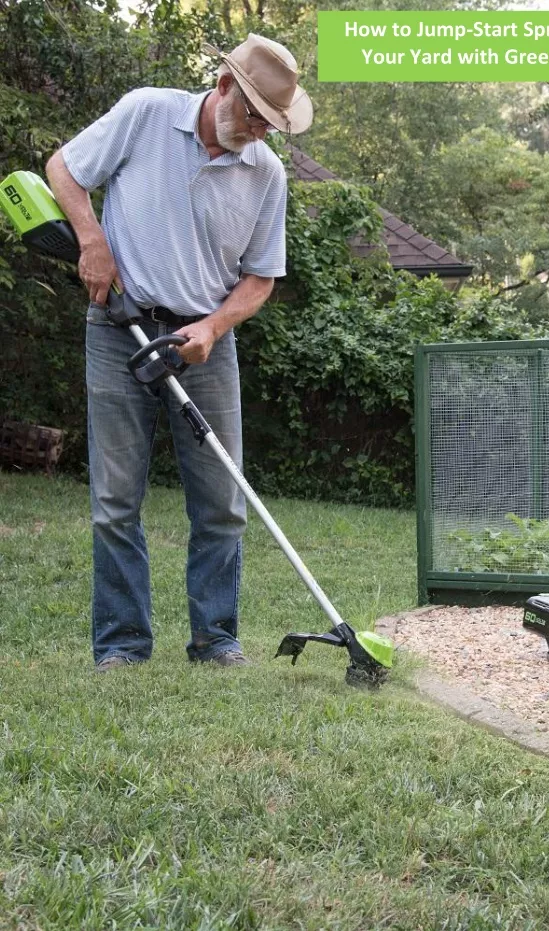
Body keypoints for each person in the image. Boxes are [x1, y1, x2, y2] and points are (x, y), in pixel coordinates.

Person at [45, 34, 313, 671]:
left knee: (222, 502)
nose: (258, 133)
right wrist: (92, 240)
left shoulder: (265, 172)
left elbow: (260, 278)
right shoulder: (145, 113)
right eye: (253, 116)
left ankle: (216, 639)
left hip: (205, 348)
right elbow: (64, 169)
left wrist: (214, 328)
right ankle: (122, 645)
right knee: (115, 502)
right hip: (118, 330)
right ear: (223, 87)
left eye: (271, 124)